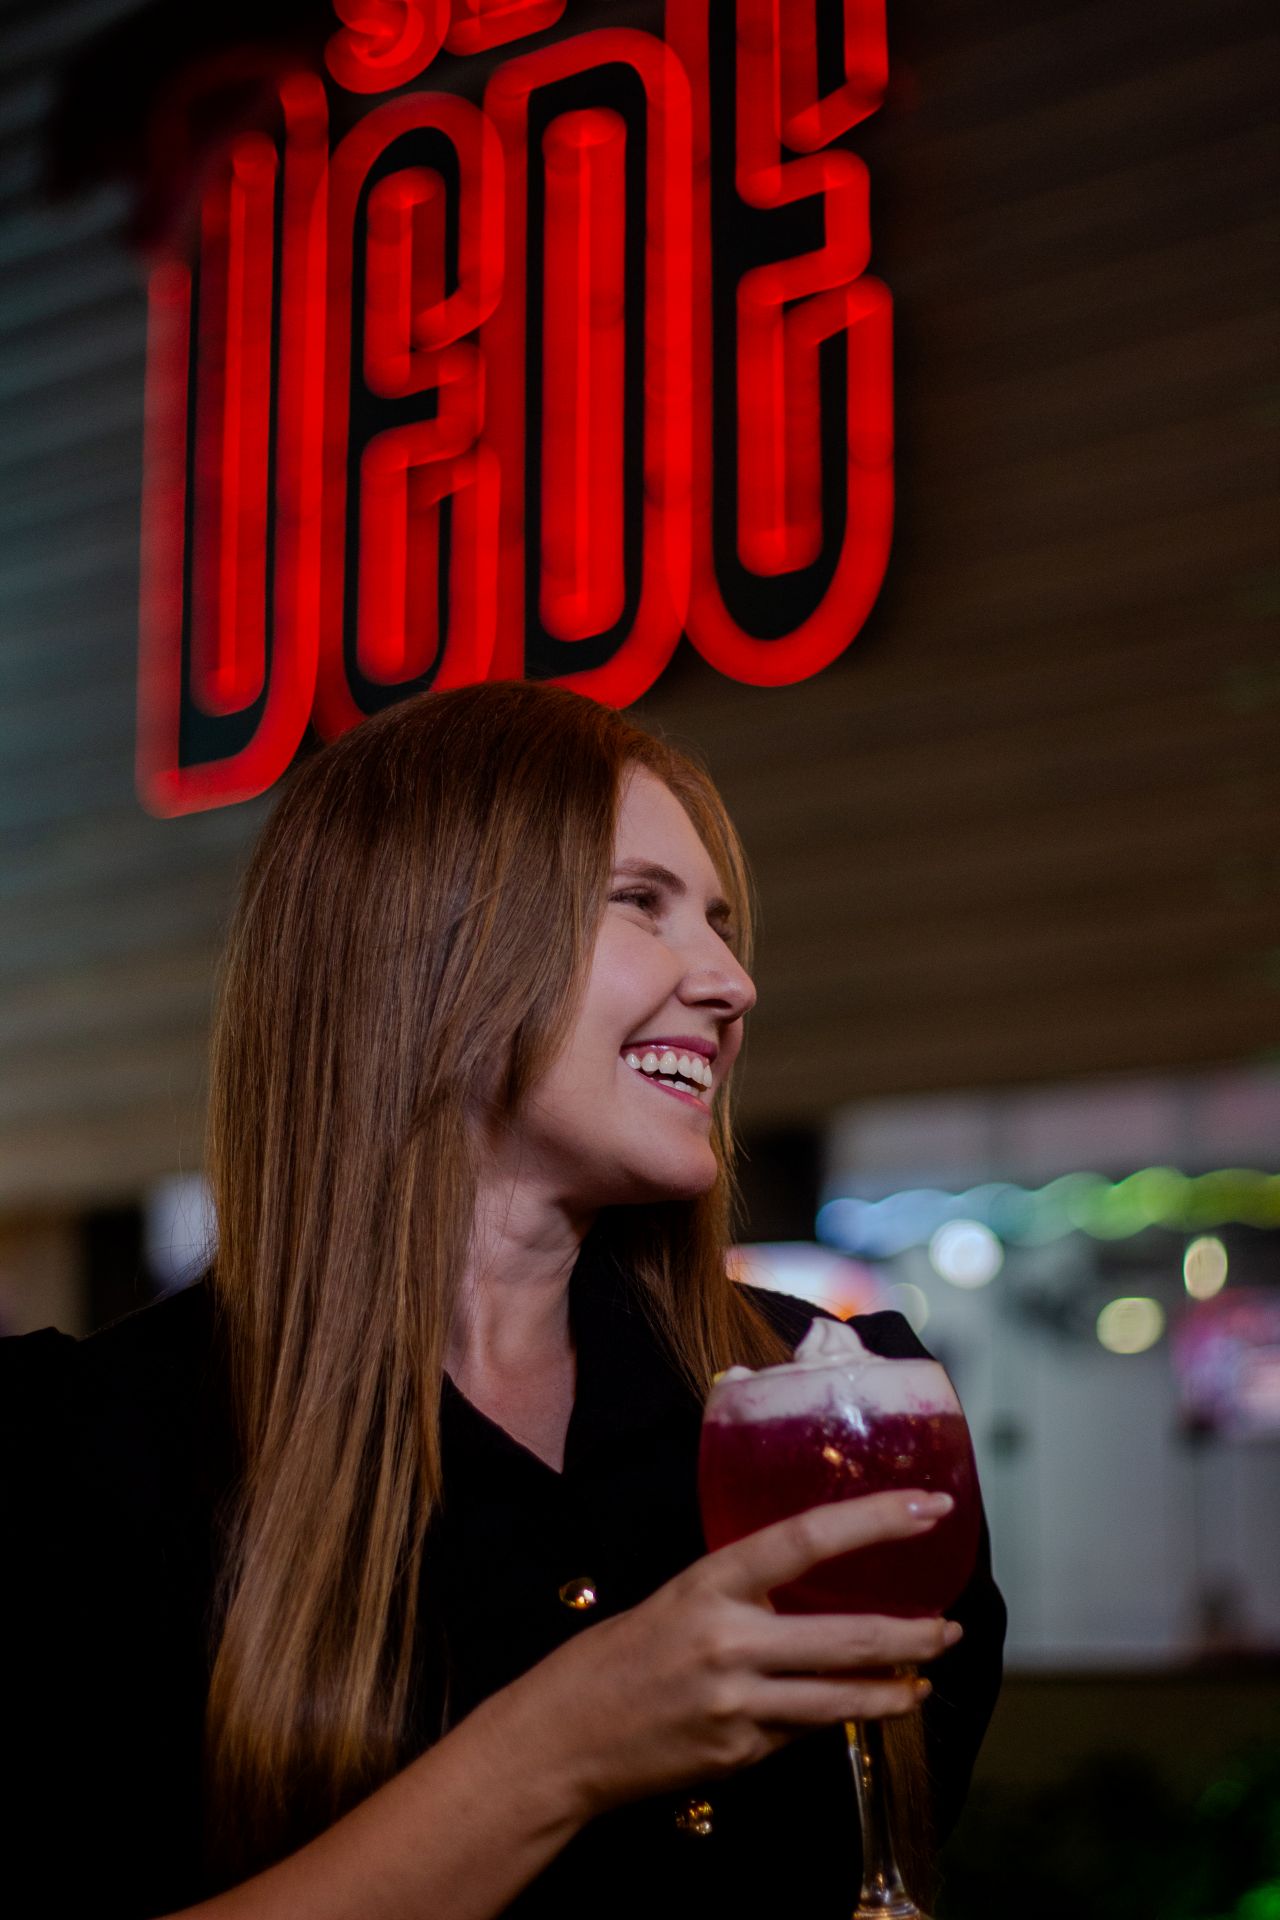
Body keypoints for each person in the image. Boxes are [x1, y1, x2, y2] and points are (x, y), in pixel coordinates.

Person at [2, 683, 1005, 1919]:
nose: (732, 982)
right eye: (639, 901)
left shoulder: (836, 1415)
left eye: (720, 923)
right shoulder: (80, 1453)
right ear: (420, 952)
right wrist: (559, 1749)